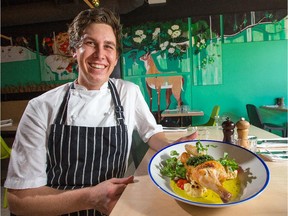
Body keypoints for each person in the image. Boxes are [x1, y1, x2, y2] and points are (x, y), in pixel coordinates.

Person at [4, 7, 197, 216]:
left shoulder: (128, 93)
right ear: (74, 50)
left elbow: (151, 133)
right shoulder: (41, 107)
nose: (100, 55)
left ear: (115, 57)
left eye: (108, 46)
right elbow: (19, 201)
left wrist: (172, 148)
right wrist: (90, 198)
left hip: (114, 210)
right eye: (90, 43)